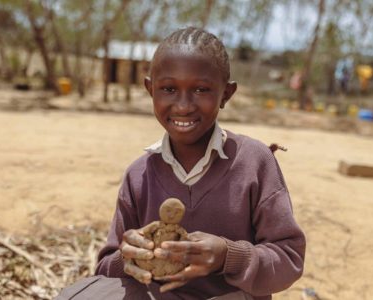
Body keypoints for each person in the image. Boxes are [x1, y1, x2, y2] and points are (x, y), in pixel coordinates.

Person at [59, 27, 306, 300]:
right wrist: (129, 257)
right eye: (168, 89)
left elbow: (289, 258)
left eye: (201, 89)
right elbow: (105, 269)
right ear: (150, 89)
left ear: (226, 94)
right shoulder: (139, 175)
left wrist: (228, 256)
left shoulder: (254, 163)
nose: (183, 105)